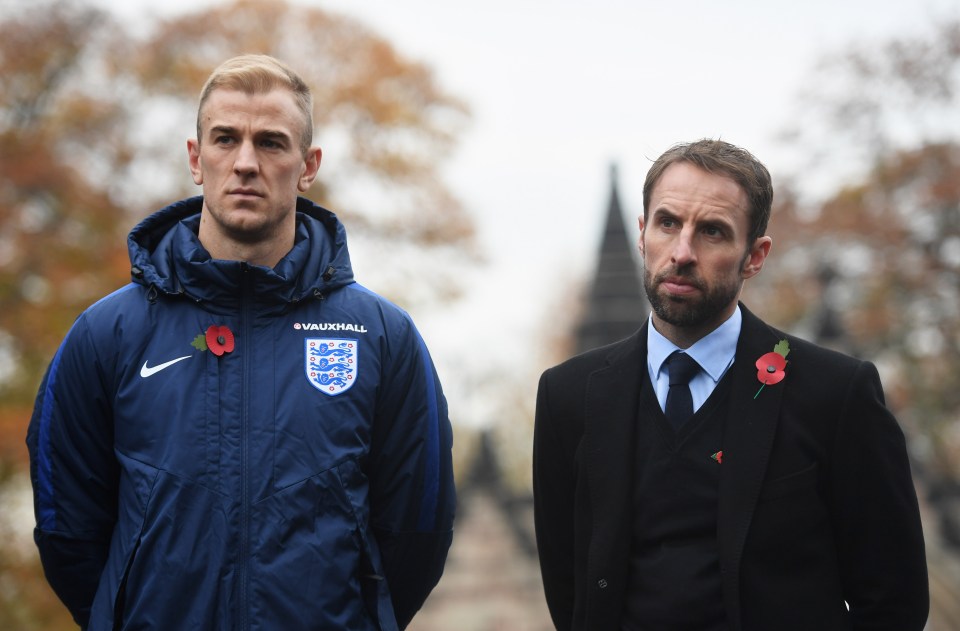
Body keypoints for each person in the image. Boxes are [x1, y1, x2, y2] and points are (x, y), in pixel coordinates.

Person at [27, 54, 455, 631]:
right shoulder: (107, 335)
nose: (246, 163)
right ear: (196, 159)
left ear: (308, 166)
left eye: (272, 143)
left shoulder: (383, 337)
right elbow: (67, 531)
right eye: (225, 139)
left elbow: (418, 533)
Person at [532, 139, 928, 631]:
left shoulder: (835, 394)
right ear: (641, 233)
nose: (681, 252)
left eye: (713, 232)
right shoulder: (568, 396)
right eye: (667, 222)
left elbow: (894, 600)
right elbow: (568, 590)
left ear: (754, 256)